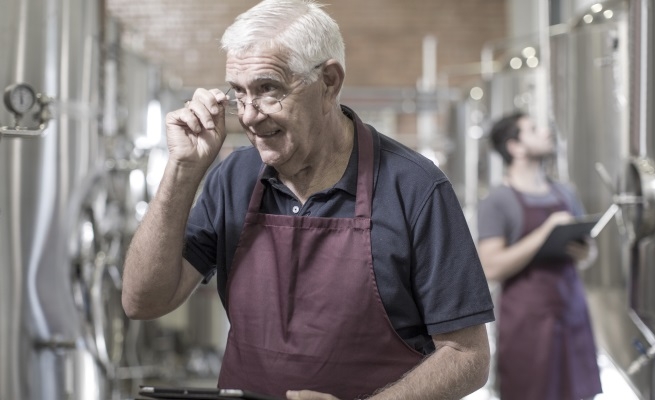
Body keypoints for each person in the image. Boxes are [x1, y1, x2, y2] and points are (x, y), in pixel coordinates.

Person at [121, 1, 495, 399]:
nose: (248, 116)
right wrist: (182, 171)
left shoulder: (415, 187)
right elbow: (142, 300)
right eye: (239, 93)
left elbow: (467, 355)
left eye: (268, 90)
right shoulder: (233, 178)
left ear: (329, 82)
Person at [476, 111, 603, 400]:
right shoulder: (498, 201)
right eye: (533, 129)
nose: (546, 133)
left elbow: (588, 256)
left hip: (573, 315)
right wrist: (546, 231)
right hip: (528, 326)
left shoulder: (566, 193)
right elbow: (491, 267)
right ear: (515, 147)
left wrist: (584, 252)